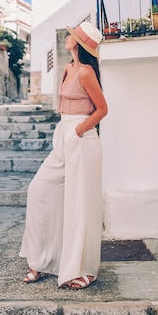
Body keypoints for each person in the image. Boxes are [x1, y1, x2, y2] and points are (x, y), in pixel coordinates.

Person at [20, 21, 108, 290]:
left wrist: (80, 128)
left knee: (81, 205)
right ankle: (42, 259)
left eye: (73, 36)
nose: (68, 38)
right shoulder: (68, 68)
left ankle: (84, 269)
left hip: (82, 139)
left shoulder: (86, 73)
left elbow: (102, 109)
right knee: (40, 190)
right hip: (64, 135)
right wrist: (67, 130)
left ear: (79, 45)